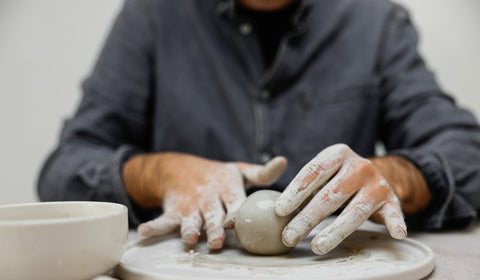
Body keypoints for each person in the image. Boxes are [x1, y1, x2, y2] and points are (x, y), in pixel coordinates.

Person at [38, 0, 480, 255]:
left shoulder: (373, 20)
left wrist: (393, 177)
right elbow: (65, 168)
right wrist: (159, 173)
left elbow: (467, 151)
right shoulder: (154, 15)